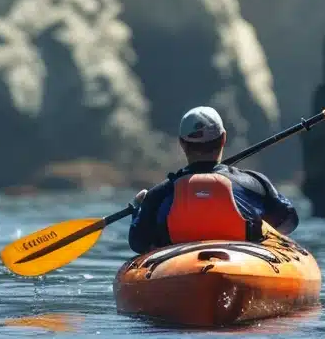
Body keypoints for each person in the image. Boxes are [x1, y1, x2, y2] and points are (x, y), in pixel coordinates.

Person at [127, 106, 299, 253]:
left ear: (182, 143)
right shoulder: (255, 184)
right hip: (244, 263)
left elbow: (138, 243)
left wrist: (138, 208)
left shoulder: (158, 195)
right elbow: (289, 221)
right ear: (223, 138)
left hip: (178, 268)